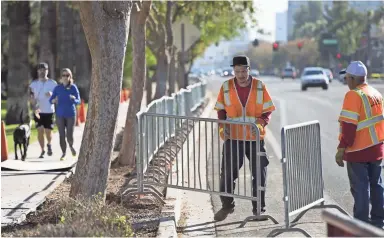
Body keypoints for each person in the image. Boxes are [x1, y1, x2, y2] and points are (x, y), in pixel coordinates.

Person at [213, 55, 276, 221]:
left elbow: (267, 110)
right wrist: (222, 126)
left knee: (259, 172)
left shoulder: (260, 86)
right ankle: (227, 206)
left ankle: (259, 209)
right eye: (237, 71)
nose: (240, 75)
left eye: (244, 70)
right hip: (233, 137)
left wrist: (261, 123)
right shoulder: (226, 86)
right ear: (233, 70)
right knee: (227, 173)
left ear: (249, 69)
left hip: (254, 138)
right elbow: (221, 110)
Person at [336, 61, 384, 228]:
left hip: (358, 151)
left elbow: (349, 127)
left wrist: (341, 149)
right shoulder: (375, 93)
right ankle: (378, 222)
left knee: (361, 189)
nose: (346, 81)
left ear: (353, 78)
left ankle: (361, 225)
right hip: (376, 148)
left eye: (347, 78)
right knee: (377, 185)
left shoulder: (353, 95)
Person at [50, 68, 80, 160]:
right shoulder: (57, 88)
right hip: (60, 115)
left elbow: (78, 101)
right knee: (61, 135)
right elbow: (51, 100)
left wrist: (74, 99)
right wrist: (53, 100)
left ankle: (71, 146)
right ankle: (63, 152)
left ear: (70, 77)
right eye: (64, 75)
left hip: (71, 114)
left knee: (69, 135)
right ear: (61, 77)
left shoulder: (73, 87)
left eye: (68, 75)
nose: (66, 77)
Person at [29, 62, 57, 158]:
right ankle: (42, 150)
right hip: (38, 111)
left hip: (49, 111)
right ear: (37, 71)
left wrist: (52, 95)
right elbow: (30, 97)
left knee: (48, 131)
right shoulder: (33, 84)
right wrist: (32, 101)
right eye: (40, 70)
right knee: (40, 130)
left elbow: (57, 98)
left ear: (47, 71)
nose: (42, 71)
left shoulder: (53, 83)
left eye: (44, 69)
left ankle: (49, 144)